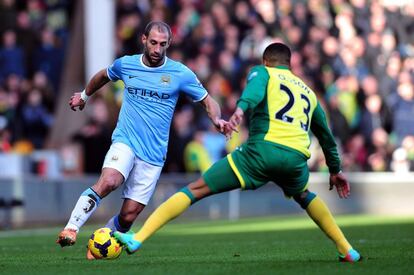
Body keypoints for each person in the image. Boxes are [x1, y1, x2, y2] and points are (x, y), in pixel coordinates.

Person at [114, 42, 362, 262]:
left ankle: (139, 238)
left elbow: (253, 93)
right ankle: (347, 248)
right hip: (296, 158)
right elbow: (327, 137)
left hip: (261, 152)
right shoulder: (309, 92)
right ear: (290, 64)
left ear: (266, 61)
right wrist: (336, 169)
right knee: (304, 196)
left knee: (195, 189)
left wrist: (240, 110)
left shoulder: (263, 72)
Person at [56, 21, 230, 260]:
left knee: (128, 216)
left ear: (169, 44)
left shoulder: (180, 73)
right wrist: (85, 95)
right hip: (125, 140)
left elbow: (208, 101)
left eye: (163, 44)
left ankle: (101, 241)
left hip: (153, 154)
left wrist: (217, 120)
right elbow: (103, 76)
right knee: (110, 181)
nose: (158, 49)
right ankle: (71, 228)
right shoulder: (126, 64)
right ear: (144, 39)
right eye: (154, 43)